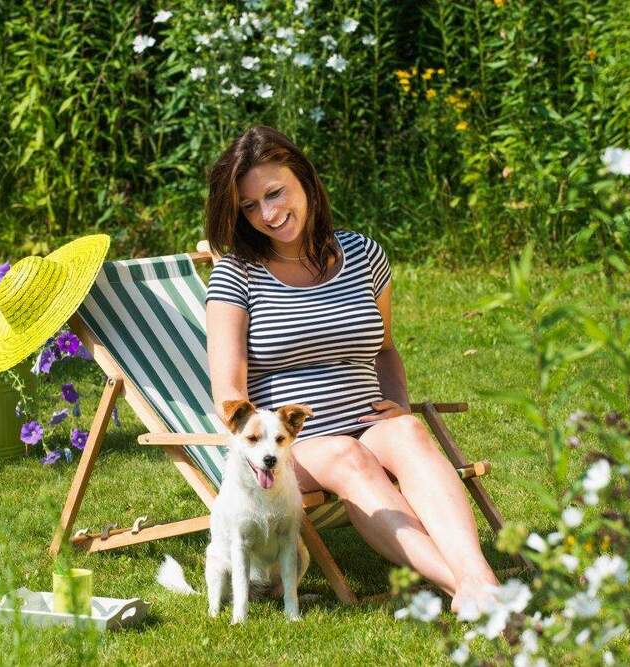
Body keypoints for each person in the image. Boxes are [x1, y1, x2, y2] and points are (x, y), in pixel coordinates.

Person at [203, 125, 498, 610]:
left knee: (409, 433)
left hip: (366, 421)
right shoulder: (237, 274)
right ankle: (469, 588)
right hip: (293, 447)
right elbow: (229, 394)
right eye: (250, 206)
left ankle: (476, 579)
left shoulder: (362, 254)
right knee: (349, 456)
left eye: (275, 193)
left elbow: (385, 348)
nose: (268, 214)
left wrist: (398, 404)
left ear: (305, 180)